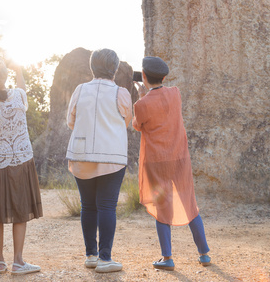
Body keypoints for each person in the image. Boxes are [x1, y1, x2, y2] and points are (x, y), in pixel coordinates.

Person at [132, 56, 211, 271]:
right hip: (179, 158)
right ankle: (204, 254)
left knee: (162, 206)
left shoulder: (141, 104)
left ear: (144, 76)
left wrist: (141, 96)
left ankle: (167, 257)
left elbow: (137, 125)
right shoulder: (176, 93)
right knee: (189, 203)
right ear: (165, 76)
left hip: (157, 161)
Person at [0, 57, 43, 275]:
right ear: (4, 76)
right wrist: (19, 70)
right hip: (22, 161)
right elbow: (21, 88)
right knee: (20, 210)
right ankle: (19, 261)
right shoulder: (19, 96)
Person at [66, 48, 132, 273]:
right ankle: (105, 258)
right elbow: (126, 122)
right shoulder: (121, 93)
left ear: (91, 67)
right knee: (107, 206)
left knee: (88, 205)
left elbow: (70, 121)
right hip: (111, 156)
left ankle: (91, 256)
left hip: (81, 154)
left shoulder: (80, 90)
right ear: (114, 69)